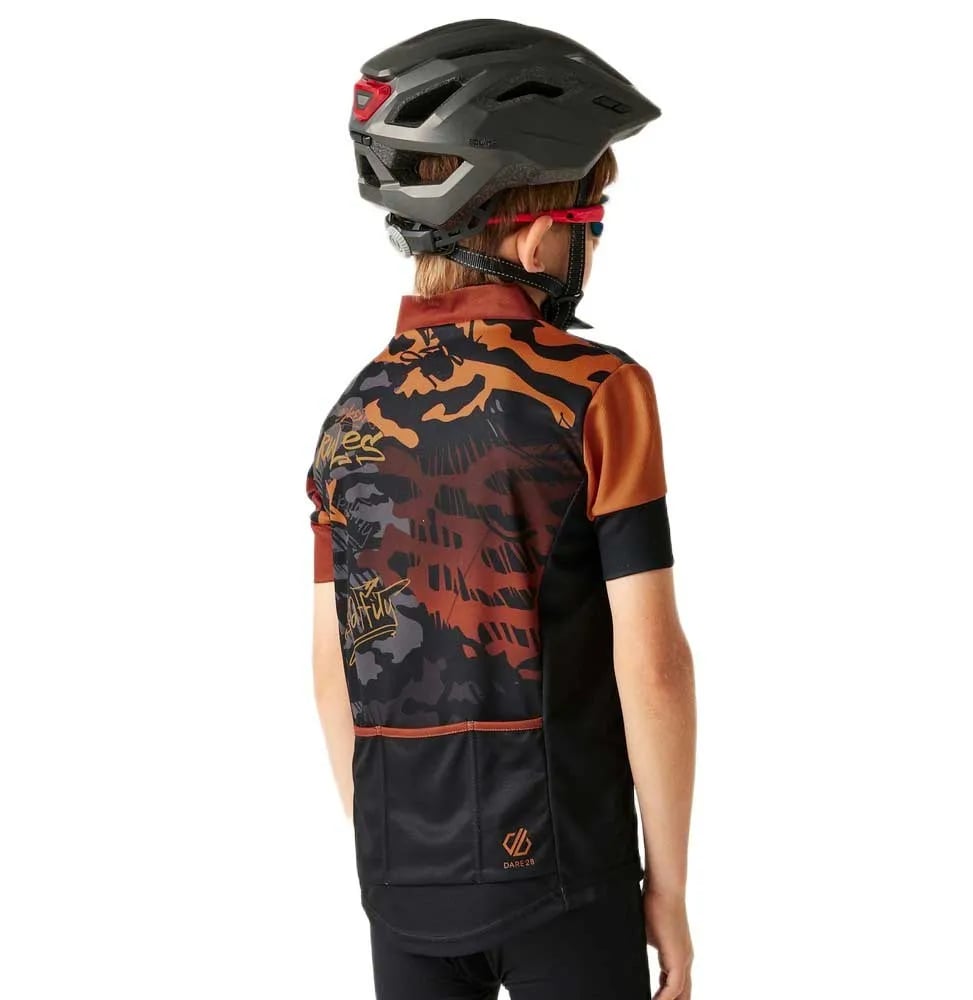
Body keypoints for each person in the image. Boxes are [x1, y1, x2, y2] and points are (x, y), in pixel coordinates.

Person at [307, 19, 696, 1000]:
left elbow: (333, 672)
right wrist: (668, 888)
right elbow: (651, 666)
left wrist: (397, 854)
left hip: (401, 883)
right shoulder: (598, 391)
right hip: (564, 871)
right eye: (591, 220)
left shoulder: (350, 416)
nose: (592, 246)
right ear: (534, 231)